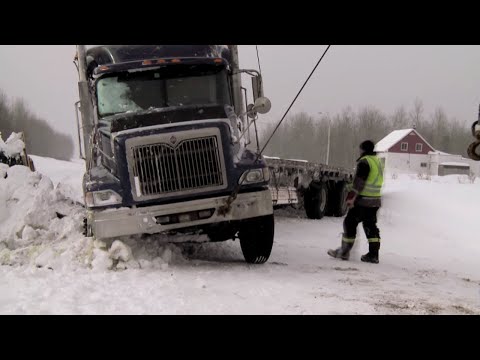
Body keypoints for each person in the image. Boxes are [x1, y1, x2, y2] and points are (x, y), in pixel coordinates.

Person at [327, 140, 384, 264]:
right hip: (375, 201)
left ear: (363, 149)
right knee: (370, 226)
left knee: (349, 223)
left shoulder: (365, 162)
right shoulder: (377, 161)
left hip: (363, 201)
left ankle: (344, 252)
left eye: (360, 149)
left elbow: (359, 182)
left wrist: (350, 198)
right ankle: (373, 255)